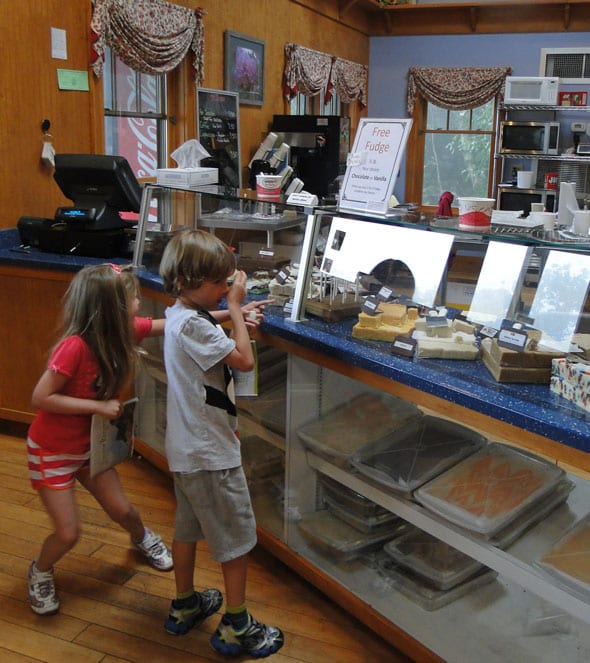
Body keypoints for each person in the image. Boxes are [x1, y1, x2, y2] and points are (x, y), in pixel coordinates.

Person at [159, 229, 284, 659]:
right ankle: (236, 624)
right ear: (190, 281)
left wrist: (231, 314)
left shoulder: (179, 314)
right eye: (220, 284)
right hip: (211, 452)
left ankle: (185, 604)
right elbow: (243, 360)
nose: (226, 289)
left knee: (186, 528)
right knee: (235, 539)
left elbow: (204, 329)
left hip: (185, 450)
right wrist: (235, 309)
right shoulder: (201, 323)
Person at [26, 264, 173, 617]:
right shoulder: (73, 348)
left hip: (90, 448)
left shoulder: (123, 333)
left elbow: (166, 325)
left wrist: (229, 313)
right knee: (68, 534)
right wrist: (98, 405)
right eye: (133, 297)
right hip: (52, 451)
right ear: (111, 308)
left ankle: (142, 538)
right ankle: (40, 570)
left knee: (123, 510)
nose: (139, 301)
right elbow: (41, 398)